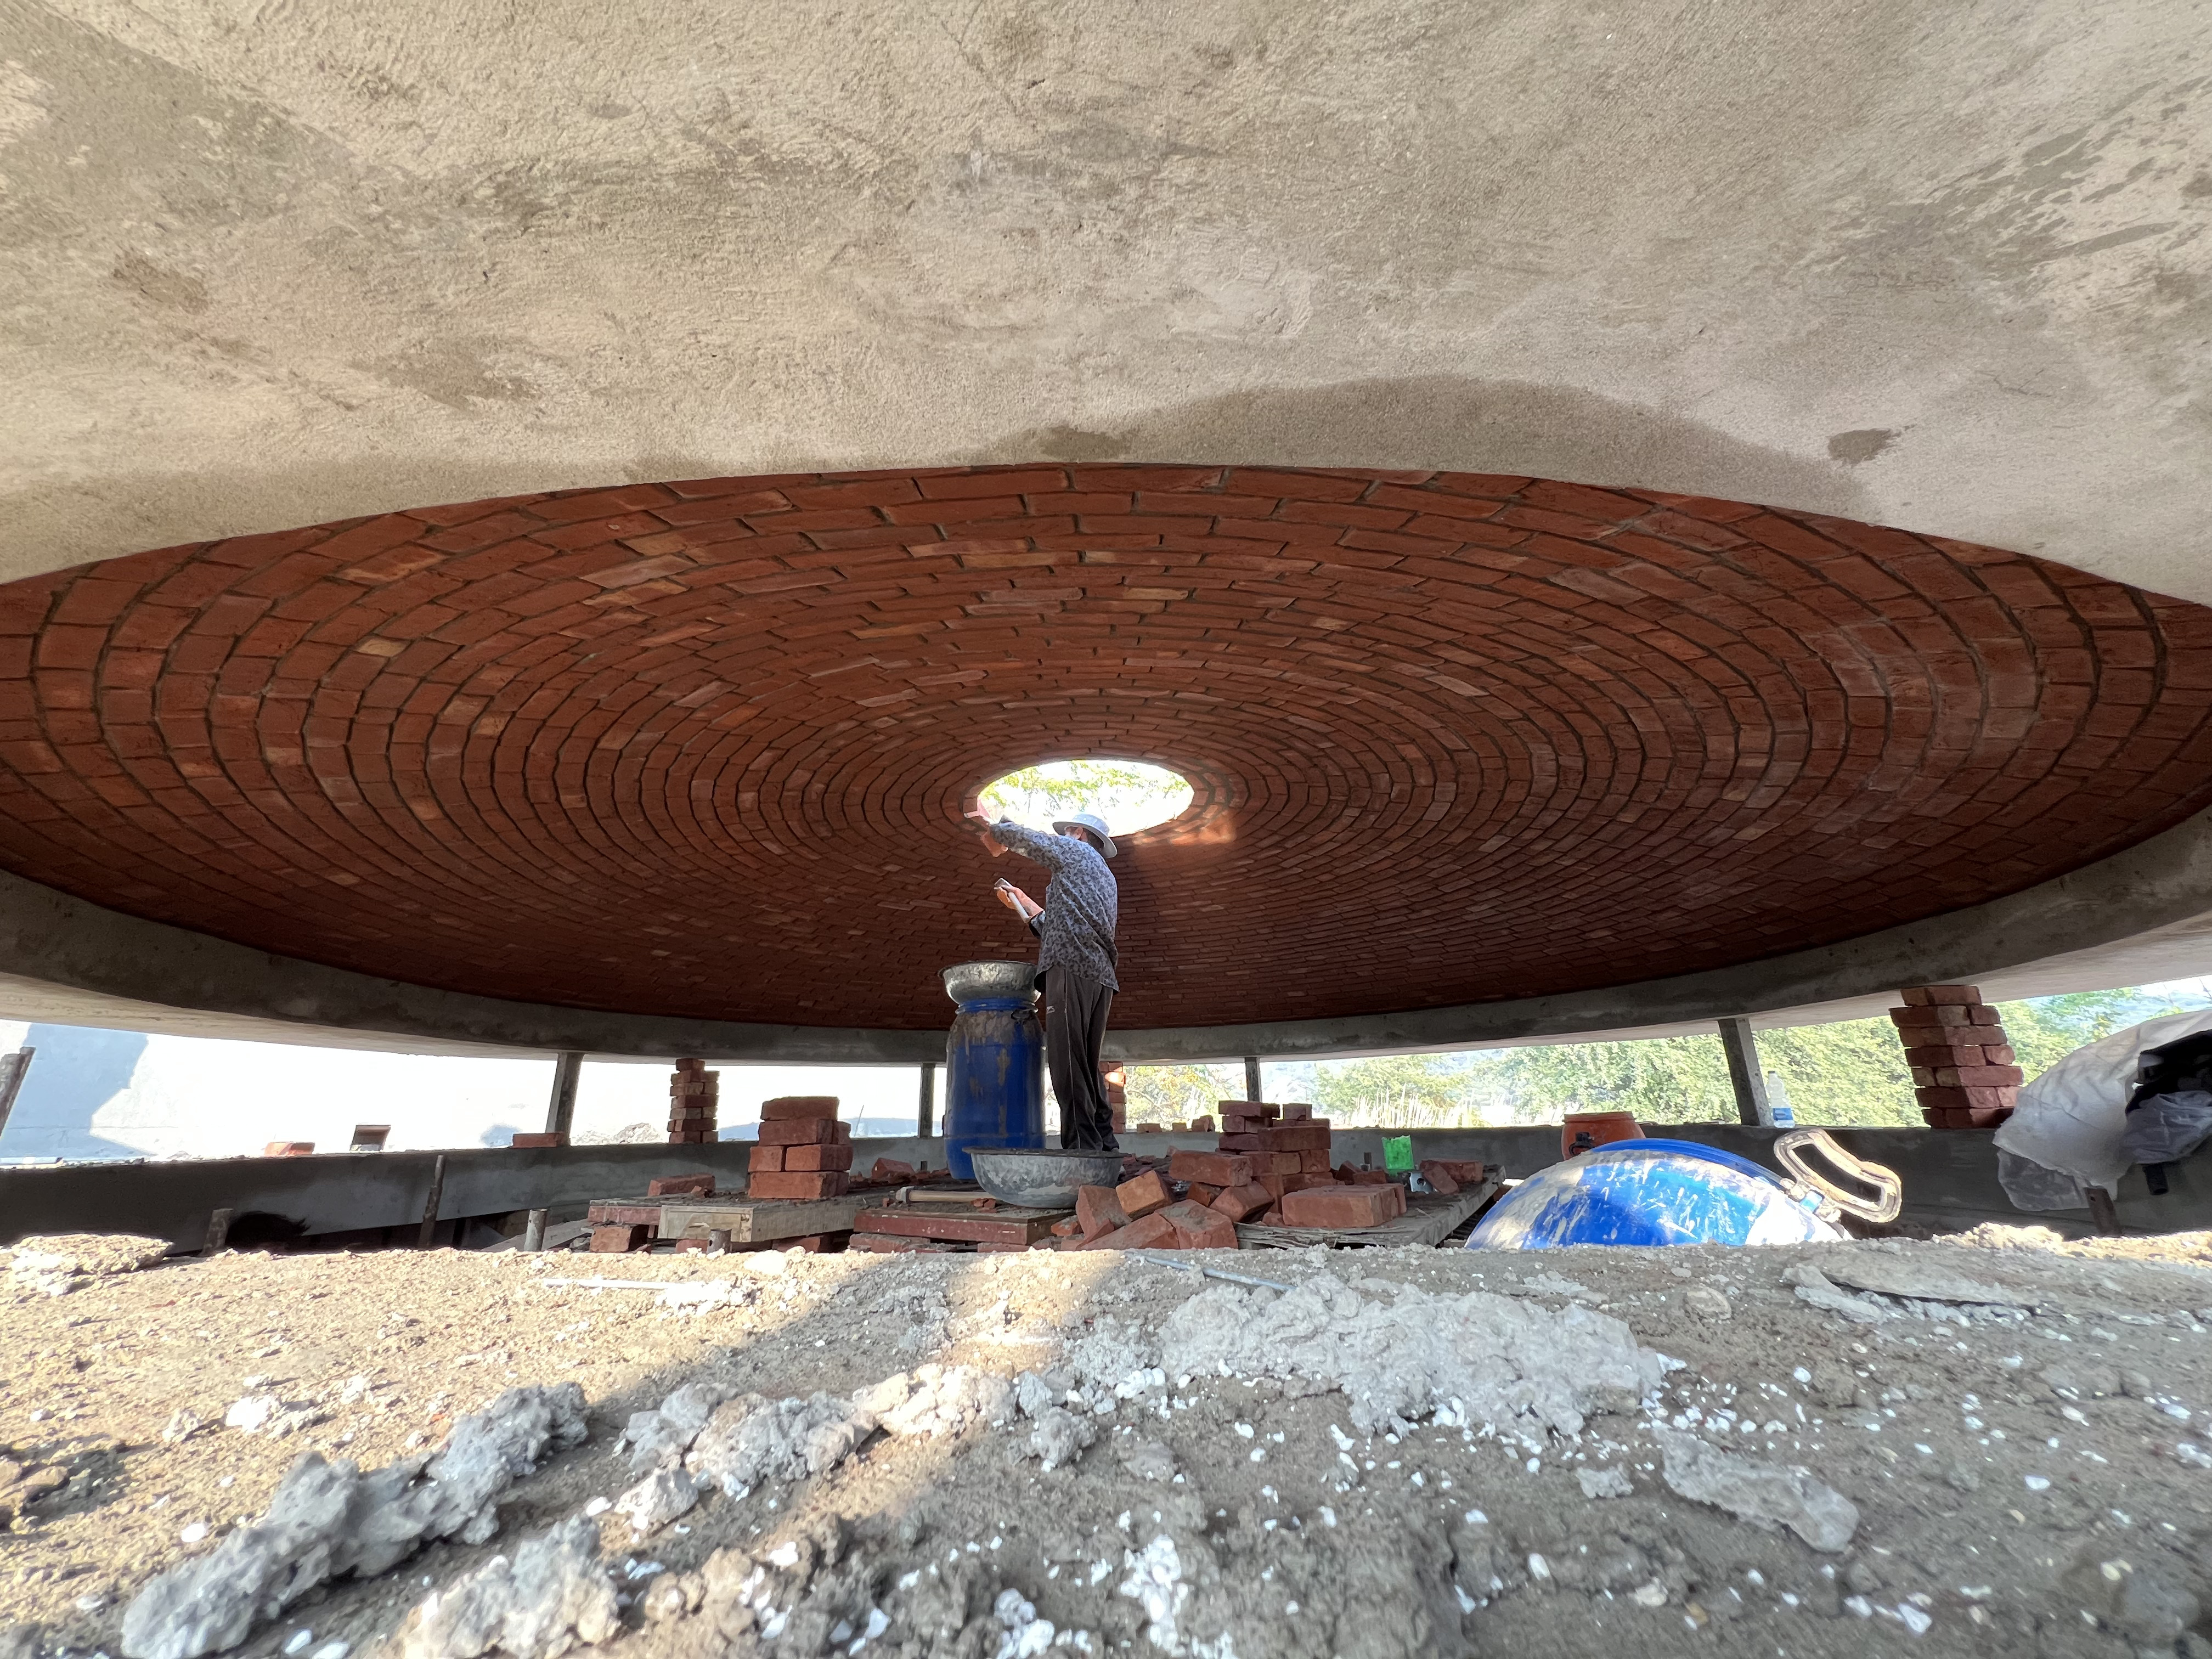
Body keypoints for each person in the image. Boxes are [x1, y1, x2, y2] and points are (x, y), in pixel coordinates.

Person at [964, 806, 1120, 1152]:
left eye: (1068, 831)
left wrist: (996, 828)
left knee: (1067, 1064)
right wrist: (1024, 905)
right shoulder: (1105, 876)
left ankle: (1082, 1153)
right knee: (1084, 1063)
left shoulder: (1077, 851)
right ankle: (1104, 1146)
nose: (1064, 836)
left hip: (1071, 967)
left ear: (1079, 834)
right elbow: (1064, 925)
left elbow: (1033, 842)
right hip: (1098, 976)